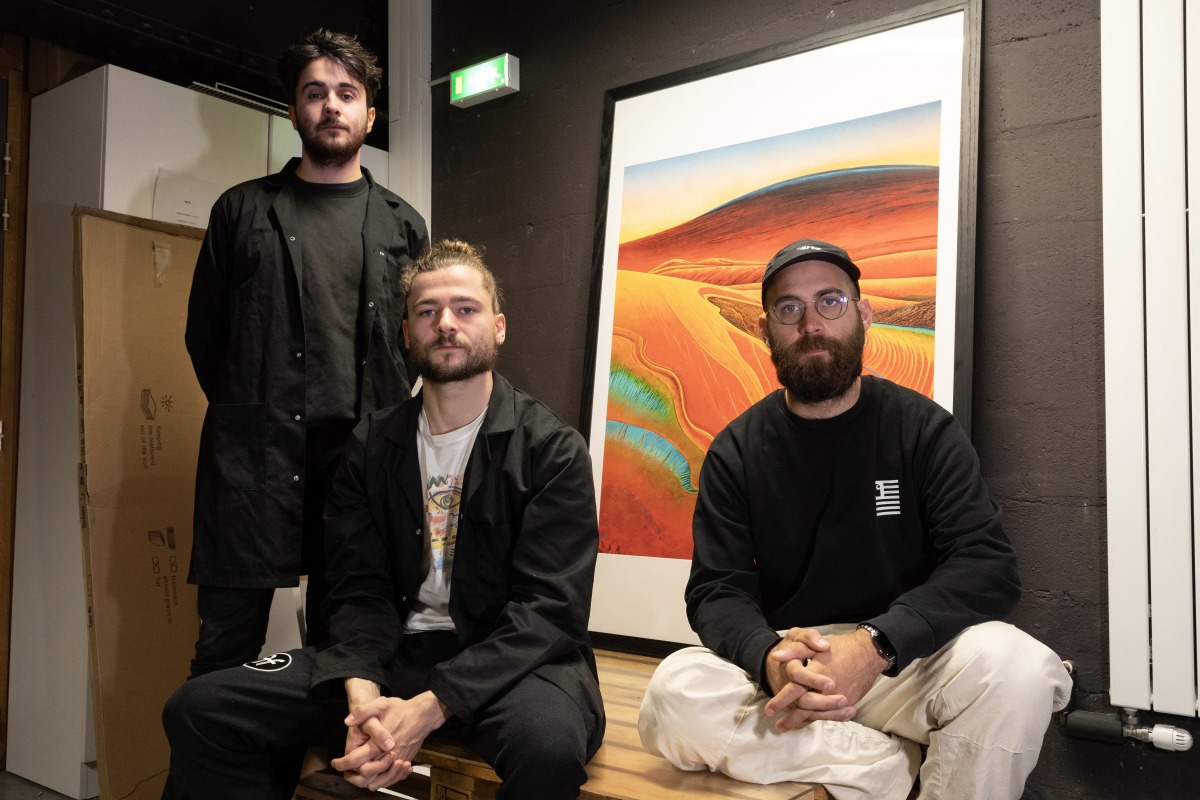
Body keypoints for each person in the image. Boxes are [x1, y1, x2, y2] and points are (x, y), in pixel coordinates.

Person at [163, 239, 605, 800]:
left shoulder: (552, 449)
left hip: (511, 662)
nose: (446, 323)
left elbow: (551, 610)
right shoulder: (371, 444)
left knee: (547, 750)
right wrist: (362, 693)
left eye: (465, 309)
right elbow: (356, 589)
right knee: (201, 708)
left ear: (497, 327)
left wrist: (431, 706)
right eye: (427, 312)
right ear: (405, 333)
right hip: (393, 653)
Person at [637, 239, 1072, 800]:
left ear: (864, 314)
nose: (811, 324)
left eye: (831, 302)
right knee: (674, 697)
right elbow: (717, 590)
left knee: (1020, 668)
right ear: (766, 327)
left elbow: (987, 565)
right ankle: (890, 767)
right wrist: (768, 657)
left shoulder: (923, 430)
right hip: (794, 667)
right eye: (789, 309)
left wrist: (875, 645)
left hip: (905, 662)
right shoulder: (735, 451)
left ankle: (863, 755)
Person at [182, 27, 428, 677]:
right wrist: (253, 408)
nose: (331, 105)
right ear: (293, 110)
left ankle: (319, 777)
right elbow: (203, 336)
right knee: (223, 648)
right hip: (253, 463)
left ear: (369, 114)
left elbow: (413, 342)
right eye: (314, 92)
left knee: (343, 644)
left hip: (356, 465)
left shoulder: (403, 224)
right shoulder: (241, 212)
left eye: (347, 93)